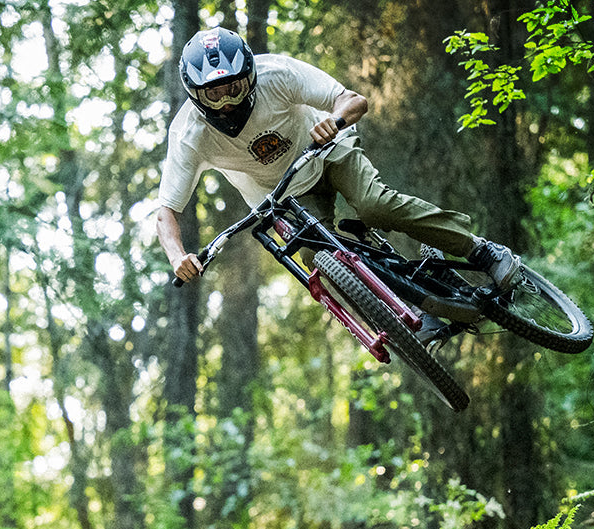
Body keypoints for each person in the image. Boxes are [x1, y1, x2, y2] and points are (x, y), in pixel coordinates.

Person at [153, 26, 521, 337]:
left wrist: (335, 121)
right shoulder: (189, 134)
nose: (226, 102)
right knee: (322, 261)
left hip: (327, 152)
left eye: (234, 88)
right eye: (213, 94)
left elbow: (352, 100)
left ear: (249, 76)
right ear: (195, 93)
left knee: (375, 206)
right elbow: (167, 210)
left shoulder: (277, 74)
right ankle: (406, 314)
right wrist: (177, 256)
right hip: (282, 197)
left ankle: (482, 251)